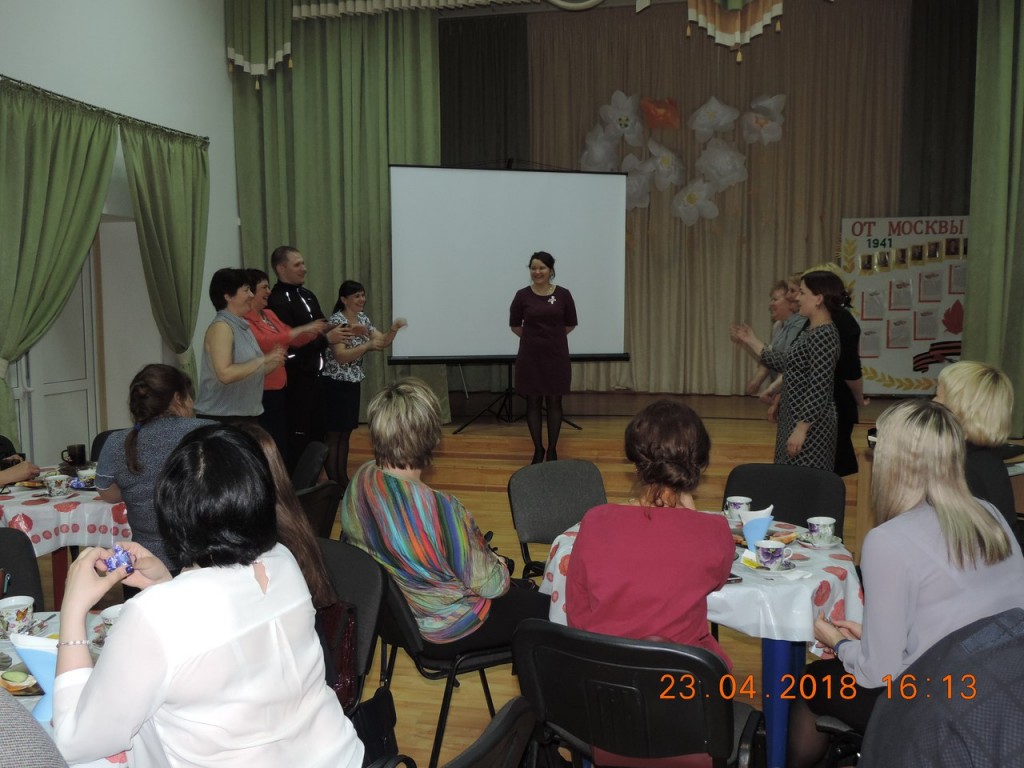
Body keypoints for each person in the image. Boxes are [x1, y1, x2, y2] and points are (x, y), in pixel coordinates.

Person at [52, 425, 363, 767]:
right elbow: (219, 640)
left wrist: (73, 610)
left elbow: (73, 743)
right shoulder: (282, 562)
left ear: (170, 514)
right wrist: (165, 584)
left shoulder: (156, 615)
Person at [786, 400, 1024, 768]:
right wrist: (870, 639)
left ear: (892, 460)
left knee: (811, 682)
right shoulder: (989, 516)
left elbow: (878, 674)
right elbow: (962, 618)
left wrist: (840, 643)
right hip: (1004, 691)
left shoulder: (888, 541)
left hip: (936, 706)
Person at [342, 377, 549, 651]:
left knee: (526, 591)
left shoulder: (361, 480)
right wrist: (498, 564)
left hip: (394, 619)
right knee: (553, 610)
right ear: (431, 437)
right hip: (448, 628)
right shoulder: (442, 510)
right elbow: (493, 587)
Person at [566, 400, 734, 665]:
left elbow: (577, 611)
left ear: (636, 464)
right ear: (699, 465)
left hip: (603, 673)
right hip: (683, 675)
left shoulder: (596, 520)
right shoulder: (715, 530)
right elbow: (717, 580)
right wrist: (693, 517)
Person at [95, 364, 213, 572]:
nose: (192, 404)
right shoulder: (209, 432)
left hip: (142, 564)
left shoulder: (116, 442)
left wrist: (134, 487)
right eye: (189, 396)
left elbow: (107, 493)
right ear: (178, 398)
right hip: (204, 563)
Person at [731, 270, 842, 471]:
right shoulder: (811, 331)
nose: (797, 298)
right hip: (795, 419)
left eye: (803, 293)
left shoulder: (824, 335)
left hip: (811, 429)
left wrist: (802, 429)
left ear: (818, 299)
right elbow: (787, 362)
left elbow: (819, 388)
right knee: (788, 477)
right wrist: (751, 340)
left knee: (803, 480)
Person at [244, 268, 338, 462]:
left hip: (280, 389)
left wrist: (320, 331)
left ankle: (286, 477)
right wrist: (305, 330)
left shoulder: (269, 314)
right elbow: (266, 342)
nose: (269, 291)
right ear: (250, 292)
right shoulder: (245, 319)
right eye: (264, 287)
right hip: (261, 390)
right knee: (269, 443)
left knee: (282, 441)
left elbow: (293, 339)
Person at [322, 280, 405, 487]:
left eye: (363, 295)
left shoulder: (362, 318)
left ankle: (342, 479)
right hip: (334, 384)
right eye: (357, 296)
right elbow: (341, 356)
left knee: (345, 434)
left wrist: (393, 330)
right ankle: (334, 482)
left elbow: (382, 341)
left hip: (352, 382)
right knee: (334, 434)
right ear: (344, 299)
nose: (362, 300)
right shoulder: (337, 321)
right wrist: (366, 346)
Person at [934, 360, 1018, 539]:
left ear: (961, 410)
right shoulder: (982, 457)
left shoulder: (967, 467)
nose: (932, 402)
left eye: (938, 397)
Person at [509, 251, 578, 464]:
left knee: (555, 401)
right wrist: (534, 339)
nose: (537, 272)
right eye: (533, 268)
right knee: (533, 401)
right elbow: (515, 325)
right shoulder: (522, 295)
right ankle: (538, 449)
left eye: (542, 268)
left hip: (556, 356)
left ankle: (553, 449)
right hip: (530, 357)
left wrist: (551, 338)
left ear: (551, 270)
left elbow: (570, 323)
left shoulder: (564, 294)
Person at [193, 268, 285, 424]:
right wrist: (263, 359)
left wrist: (273, 362)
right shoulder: (222, 327)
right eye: (246, 290)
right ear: (228, 296)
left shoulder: (242, 326)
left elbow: (251, 372)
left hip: (245, 416)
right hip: (222, 418)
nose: (251, 295)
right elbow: (225, 374)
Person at [267, 246, 330, 469]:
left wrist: (337, 330)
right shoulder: (276, 301)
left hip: (317, 378)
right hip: (295, 383)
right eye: (297, 265)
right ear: (281, 268)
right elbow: (288, 348)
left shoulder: (308, 295)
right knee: (298, 440)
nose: (304, 268)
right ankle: (297, 484)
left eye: (303, 263)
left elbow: (322, 327)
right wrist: (325, 340)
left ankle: (314, 479)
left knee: (318, 434)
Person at [744, 280, 803, 398]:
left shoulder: (799, 325)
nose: (770, 304)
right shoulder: (778, 325)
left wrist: (773, 391)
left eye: (775, 299)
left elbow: (789, 363)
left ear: (790, 302)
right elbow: (772, 357)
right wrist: (757, 381)